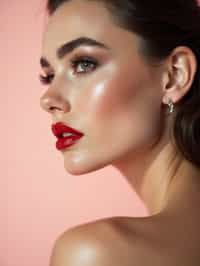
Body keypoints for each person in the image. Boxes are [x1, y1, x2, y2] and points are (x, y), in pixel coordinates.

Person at [39, 0, 200, 265]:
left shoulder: (96, 253)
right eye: (48, 75)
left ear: (174, 75)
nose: (48, 99)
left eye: (83, 64)